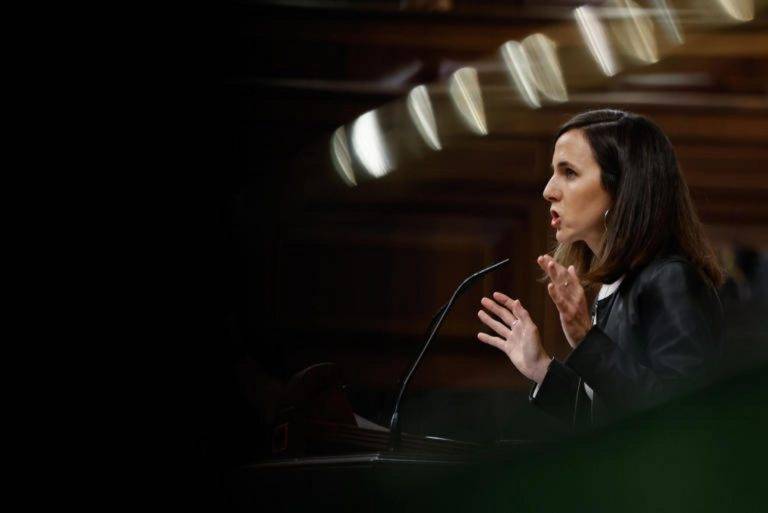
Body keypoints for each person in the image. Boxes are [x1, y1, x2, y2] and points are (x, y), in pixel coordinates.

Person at [476, 109, 725, 427]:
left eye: (569, 172)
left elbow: (680, 416)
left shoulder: (671, 280)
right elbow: (609, 416)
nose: (548, 189)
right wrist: (540, 366)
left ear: (621, 189)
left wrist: (587, 341)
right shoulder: (618, 283)